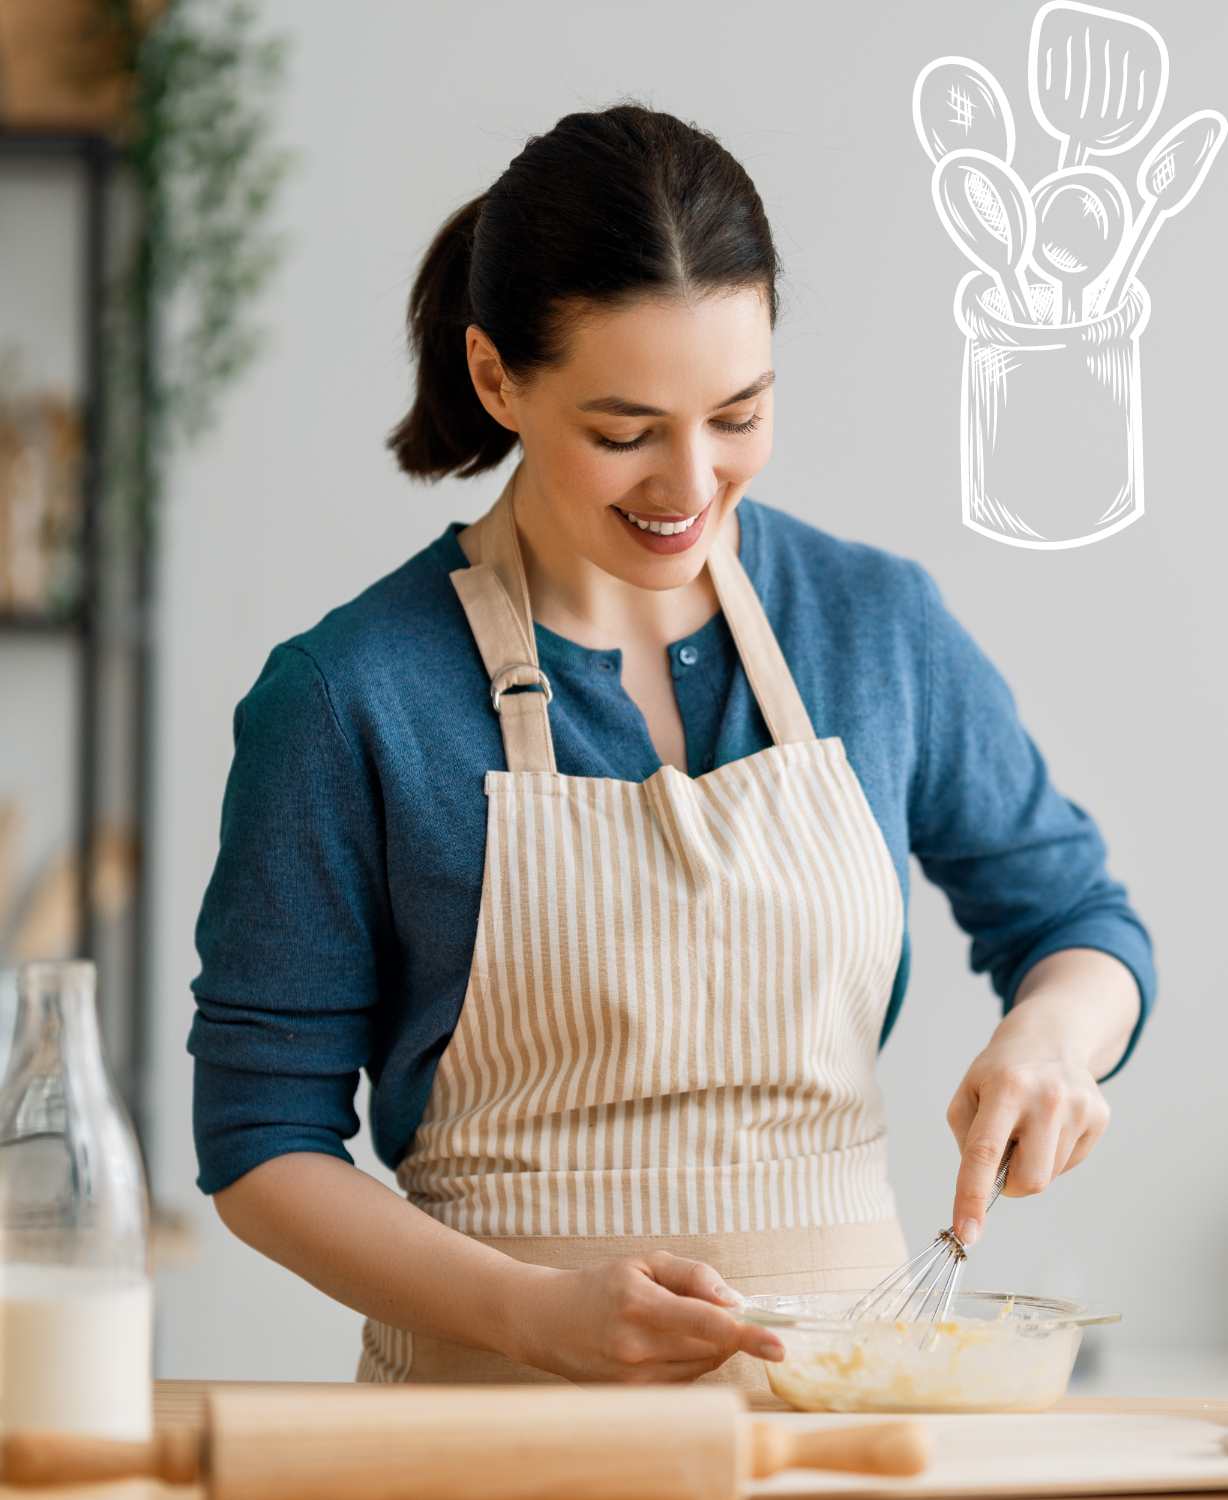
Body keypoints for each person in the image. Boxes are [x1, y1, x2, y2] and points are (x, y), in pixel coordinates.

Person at [188, 105, 1152, 1386]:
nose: (689, 484)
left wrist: (1052, 1038)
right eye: (625, 431)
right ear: (495, 379)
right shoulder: (346, 697)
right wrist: (533, 1314)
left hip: (840, 1434)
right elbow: (263, 1143)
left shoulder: (875, 625)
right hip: (493, 1432)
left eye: (738, 414)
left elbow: (1079, 920)